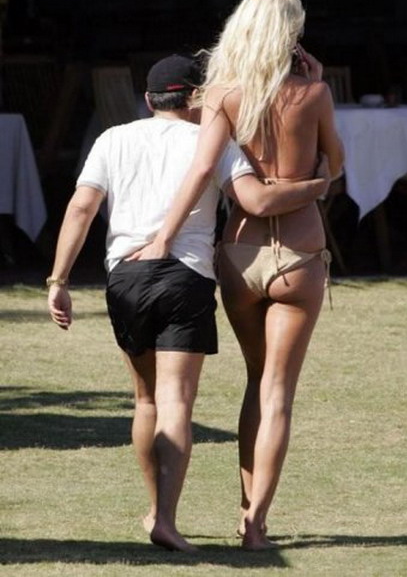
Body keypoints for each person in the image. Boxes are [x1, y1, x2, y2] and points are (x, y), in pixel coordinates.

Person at [47, 53, 331, 552]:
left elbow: (81, 207)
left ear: (148, 99)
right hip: (185, 274)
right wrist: (318, 184)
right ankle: (167, 520)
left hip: (125, 275)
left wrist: (58, 279)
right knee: (177, 400)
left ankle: (155, 509)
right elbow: (256, 201)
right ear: (197, 98)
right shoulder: (212, 141)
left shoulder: (113, 139)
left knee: (146, 401)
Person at [128, 0, 344, 551]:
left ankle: (242, 513)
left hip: (239, 252)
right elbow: (336, 165)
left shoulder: (223, 94)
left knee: (255, 380)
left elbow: (202, 168)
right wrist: (314, 173)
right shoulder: (314, 92)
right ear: (289, 34)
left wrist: (164, 235)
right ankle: (254, 525)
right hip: (299, 253)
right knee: (277, 391)